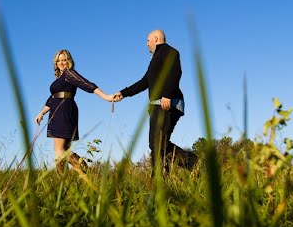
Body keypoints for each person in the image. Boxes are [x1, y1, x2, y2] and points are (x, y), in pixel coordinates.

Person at [113, 29, 192, 174]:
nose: (146, 44)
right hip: (159, 104)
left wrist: (167, 95)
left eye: (147, 40)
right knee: (158, 144)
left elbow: (175, 72)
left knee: (157, 143)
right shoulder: (156, 58)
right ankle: (190, 165)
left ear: (155, 39)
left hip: (168, 103)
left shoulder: (169, 51)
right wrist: (123, 93)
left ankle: (162, 178)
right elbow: (144, 82)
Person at [34, 49, 114, 171]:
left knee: (60, 150)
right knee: (63, 150)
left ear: (69, 61)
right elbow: (52, 98)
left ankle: (87, 174)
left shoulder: (69, 74)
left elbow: (87, 84)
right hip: (57, 110)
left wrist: (106, 96)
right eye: (59, 60)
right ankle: (66, 182)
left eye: (64, 60)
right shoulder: (60, 78)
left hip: (64, 110)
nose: (61, 63)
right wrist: (41, 113)